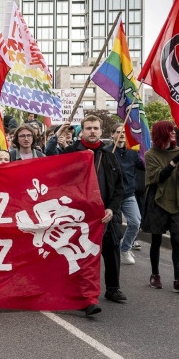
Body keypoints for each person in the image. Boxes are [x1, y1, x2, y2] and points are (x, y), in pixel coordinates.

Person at [60, 114, 126, 313]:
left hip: (105, 214)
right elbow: (61, 182)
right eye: (88, 128)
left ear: (101, 131)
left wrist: (111, 209)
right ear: (82, 130)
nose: (92, 131)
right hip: (79, 216)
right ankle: (81, 293)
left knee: (112, 251)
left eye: (96, 128)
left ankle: (113, 289)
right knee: (82, 255)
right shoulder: (71, 153)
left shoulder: (109, 156)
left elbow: (119, 188)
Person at [143, 120, 179, 293]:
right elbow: (157, 176)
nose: (174, 133)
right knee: (156, 239)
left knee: (176, 240)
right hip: (157, 200)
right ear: (161, 133)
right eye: (170, 131)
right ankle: (155, 274)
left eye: (174, 131)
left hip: (175, 199)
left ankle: (178, 279)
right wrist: (173, 164)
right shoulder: (151, 154)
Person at [109, 124, 145, 264]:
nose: (122, 134)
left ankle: (125, 247)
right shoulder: (107, 152)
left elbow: (145, 166)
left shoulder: (132, 153)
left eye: (124, 132)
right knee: (112, 229)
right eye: (118, 132)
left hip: (128, 194)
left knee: (135, 223)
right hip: (111, 197)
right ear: (112, 135)